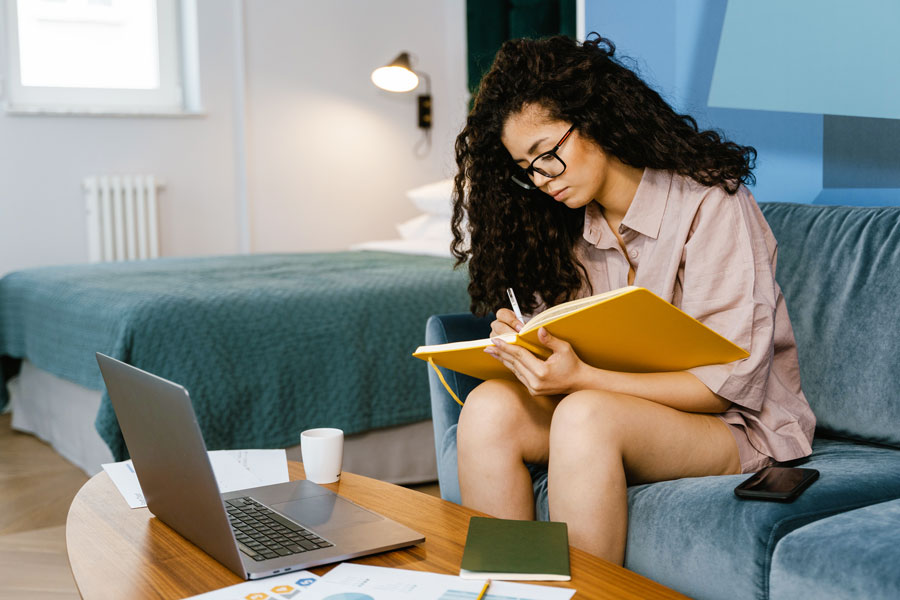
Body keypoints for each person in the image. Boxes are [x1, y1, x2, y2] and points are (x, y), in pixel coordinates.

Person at [448, 34, 816, 565]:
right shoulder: (570, 228)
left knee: (584, 415)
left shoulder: (711, 203)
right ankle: (512, 588)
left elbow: (726, 385)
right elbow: (586, 354)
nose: (542, 176)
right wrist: (531, 346)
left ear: (595, 117)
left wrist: (581, 379)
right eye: (526, 168)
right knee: (487, 409)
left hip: (736, 425)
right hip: (621, 406)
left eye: (547, 153)